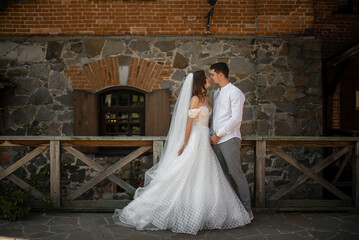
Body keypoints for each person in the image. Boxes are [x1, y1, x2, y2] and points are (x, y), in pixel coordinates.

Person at [112, 70, 250, 235]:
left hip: (205, 140)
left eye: (210, 76)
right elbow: (189, 124)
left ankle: (205, 213)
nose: (209, 79)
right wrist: (184, 144)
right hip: (195, 139)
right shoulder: (195, 99)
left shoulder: (206, 97)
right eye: (206, 78)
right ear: (200, 81)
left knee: (203, 176)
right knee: (185, 174)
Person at [209, 62, 254, 221]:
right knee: (222, 176)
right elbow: (215, 118)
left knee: (237, 175)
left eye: (212, 74)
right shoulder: (216, 93)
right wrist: (211, 134)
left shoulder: (236, 92)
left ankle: (247, 210)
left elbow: (236, 119)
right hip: (215, 140)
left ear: (221, 74)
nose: (211, 77)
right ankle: (229, 210)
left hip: (229, 139)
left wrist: (219, 134)